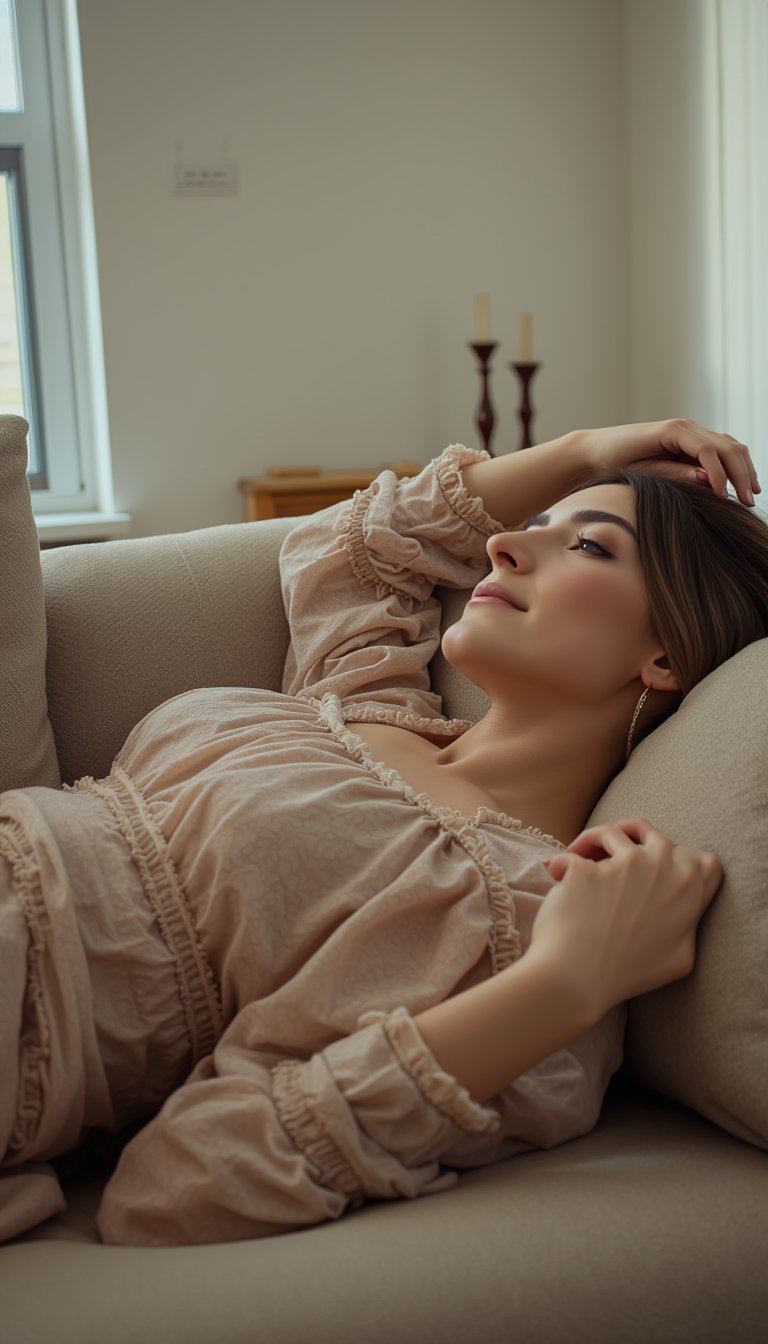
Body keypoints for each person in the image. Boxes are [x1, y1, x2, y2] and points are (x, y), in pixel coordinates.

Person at [1, 418, 766, 1247]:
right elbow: (360, 543)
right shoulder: (369, 701)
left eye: (588, 548)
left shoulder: (515, 922)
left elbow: (177, 1185)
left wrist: (566, 986)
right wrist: (586, 450)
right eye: (532, 525)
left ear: (665, 659)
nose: (504, 544)